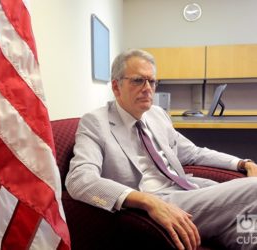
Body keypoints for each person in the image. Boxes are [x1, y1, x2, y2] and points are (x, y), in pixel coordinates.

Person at [65, 49, 257, 250]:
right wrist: (146, 201)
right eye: (138, 81)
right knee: (254, 188)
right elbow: (79, 179)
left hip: (189, 191)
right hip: (154, 205)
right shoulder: (96, 122)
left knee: (249, 233)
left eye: (152, 81)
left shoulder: (157, 115)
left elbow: (193, 152)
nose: (148, 88)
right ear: (116, 86)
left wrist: (242, 163)